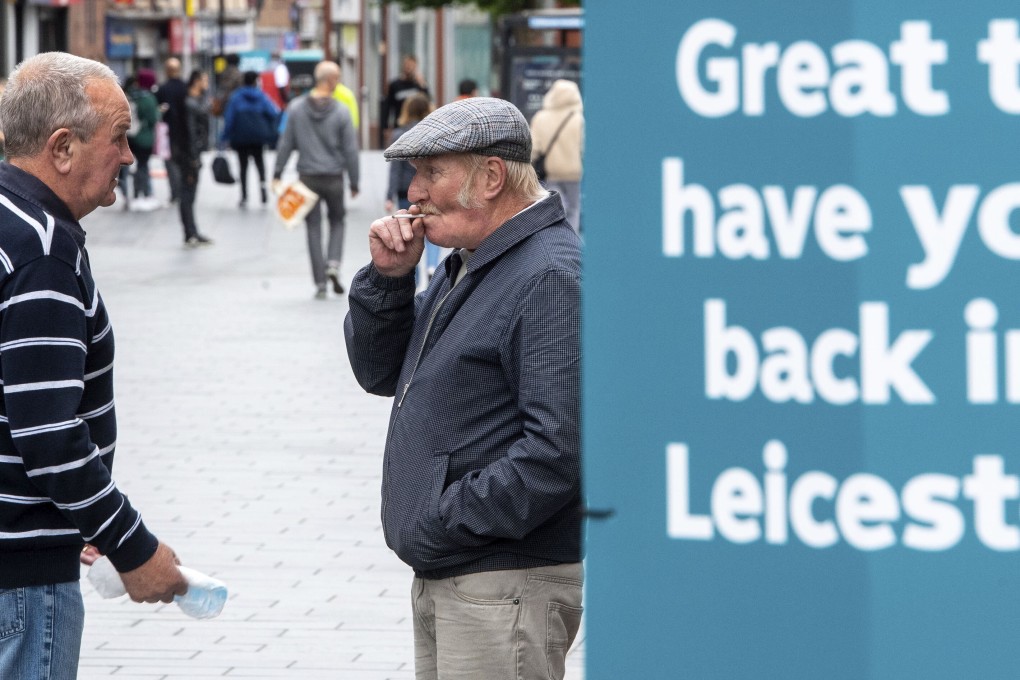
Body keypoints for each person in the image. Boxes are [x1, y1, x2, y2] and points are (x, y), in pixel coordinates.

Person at [343, 97, 583, 680]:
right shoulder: (472, 261)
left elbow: (561, 451)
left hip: (501, 581)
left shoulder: (548, 273)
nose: (413, 193)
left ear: (492, 176)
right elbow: (381, 373)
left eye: (431, 173)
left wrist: (445, 520)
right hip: (463, 575)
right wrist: (389, 281)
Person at [0, 51, 189, 679]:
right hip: (21, 579)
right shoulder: (42, 255)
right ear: (62, 148)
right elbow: (50, 435)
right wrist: (132, 546)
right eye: (119, 138)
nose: (130, 157)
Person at [273, 60, 359, 299]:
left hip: (307, 177)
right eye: (338, 77)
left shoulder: (296, 108)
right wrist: (354, 181)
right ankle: (333, 263)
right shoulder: (341, 111)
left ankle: (320, 282)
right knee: (338, 221)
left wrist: (277, 172)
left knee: (312, 227)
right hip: (333, 177)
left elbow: (286, 143)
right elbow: (350, 150)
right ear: (330, 80)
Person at [383, 93, 441, 283]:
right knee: (432, 227)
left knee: (409, 235)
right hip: (431, 191)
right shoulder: (434, 135)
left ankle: (412, 279)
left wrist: (389, 195)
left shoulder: (400, 134)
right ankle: (432, 265)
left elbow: (395, 169)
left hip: (404, 192)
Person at [530, 79, 584, 233]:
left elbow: (535, 147)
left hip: (550, 171)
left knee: (554, 206)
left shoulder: (540, 117)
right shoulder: (578, 119)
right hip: (574, 172)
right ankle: (572, 239)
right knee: (574, 208)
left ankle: (555, 237)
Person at [222, 70, 280, 207]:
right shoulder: (261, 96)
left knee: (243, 167)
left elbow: (229, 119)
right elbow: (273, 113)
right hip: (258, 138)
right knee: (260, 165)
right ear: (256, 81)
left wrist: (224, 137)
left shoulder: (236, 97)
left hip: (240, 138)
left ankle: (244, 196)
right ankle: (263, 192)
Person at [180, 70, 214, 247]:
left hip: (194, 153)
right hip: (190, 155)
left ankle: (192, 231)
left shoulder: (197, 101)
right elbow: (192, 132)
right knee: (187, 193)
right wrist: (193, 157)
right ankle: (190, 232)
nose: (207, 82)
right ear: (196, 81)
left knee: (190, 193)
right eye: (205, 79)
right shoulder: (191, 104)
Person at [125, 69, 161, 210]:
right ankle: (145, 195)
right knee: (143, 166)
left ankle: (134, 195)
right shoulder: (148, 98)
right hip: (144, 137)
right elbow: (153, 119)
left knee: (132, 168)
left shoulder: (130, 95)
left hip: (130, 136)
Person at [155, 57, 188, 203]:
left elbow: (158, 110)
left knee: (170, 163)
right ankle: (184, 189)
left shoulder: (162, 89)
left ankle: (175, 192)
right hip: (184, 131)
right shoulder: (185, 87)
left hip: (168, 131)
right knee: (182, 162)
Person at [380, 54, 428, 147]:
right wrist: (385, 127)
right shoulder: (395, 85)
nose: (409, 68)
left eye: (412, 66)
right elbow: (387, 107)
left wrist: (423, 85)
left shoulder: (419, 84)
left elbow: (427, 103)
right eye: (407, 65)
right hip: (400, 125)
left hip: (418, 127)